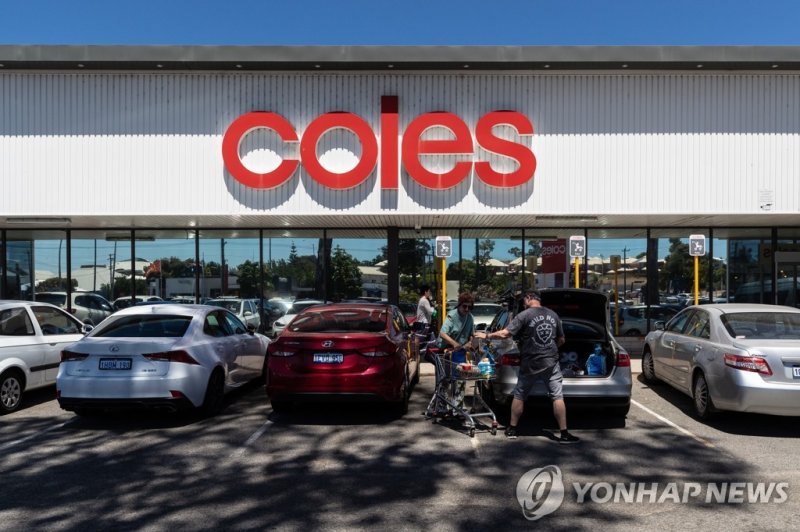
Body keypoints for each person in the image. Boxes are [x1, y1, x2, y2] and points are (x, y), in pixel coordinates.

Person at [478, 289, 579, 444]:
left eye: (524, 301)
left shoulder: (524, 315)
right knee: (557, 396)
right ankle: (564, 433)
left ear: (529, 298)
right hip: (551, 362)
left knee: (520, 394)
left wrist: (487, 335)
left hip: (530, 362)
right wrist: (550, 349)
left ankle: (512, 429)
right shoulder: (553, 315)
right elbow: (561, 339)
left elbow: (506, 333)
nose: (523, 304)